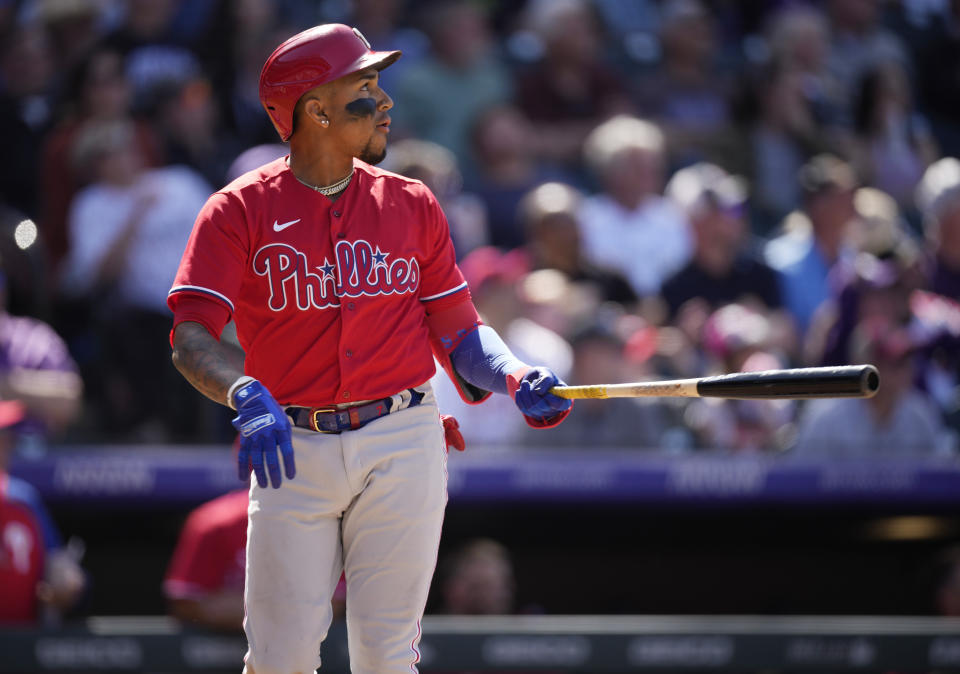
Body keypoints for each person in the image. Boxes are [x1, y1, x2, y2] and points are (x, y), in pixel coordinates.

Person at [167, 24, 572, 674]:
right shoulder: (236, 211)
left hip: (402, 435)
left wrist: (514, 374)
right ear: (315, 108)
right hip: (292, 447)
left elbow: (461, 332)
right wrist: (241, 390)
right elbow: (191, 334)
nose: (384, 101)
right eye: (364, 87)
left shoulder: (412, 203)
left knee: (388, 656)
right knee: (280, 658)